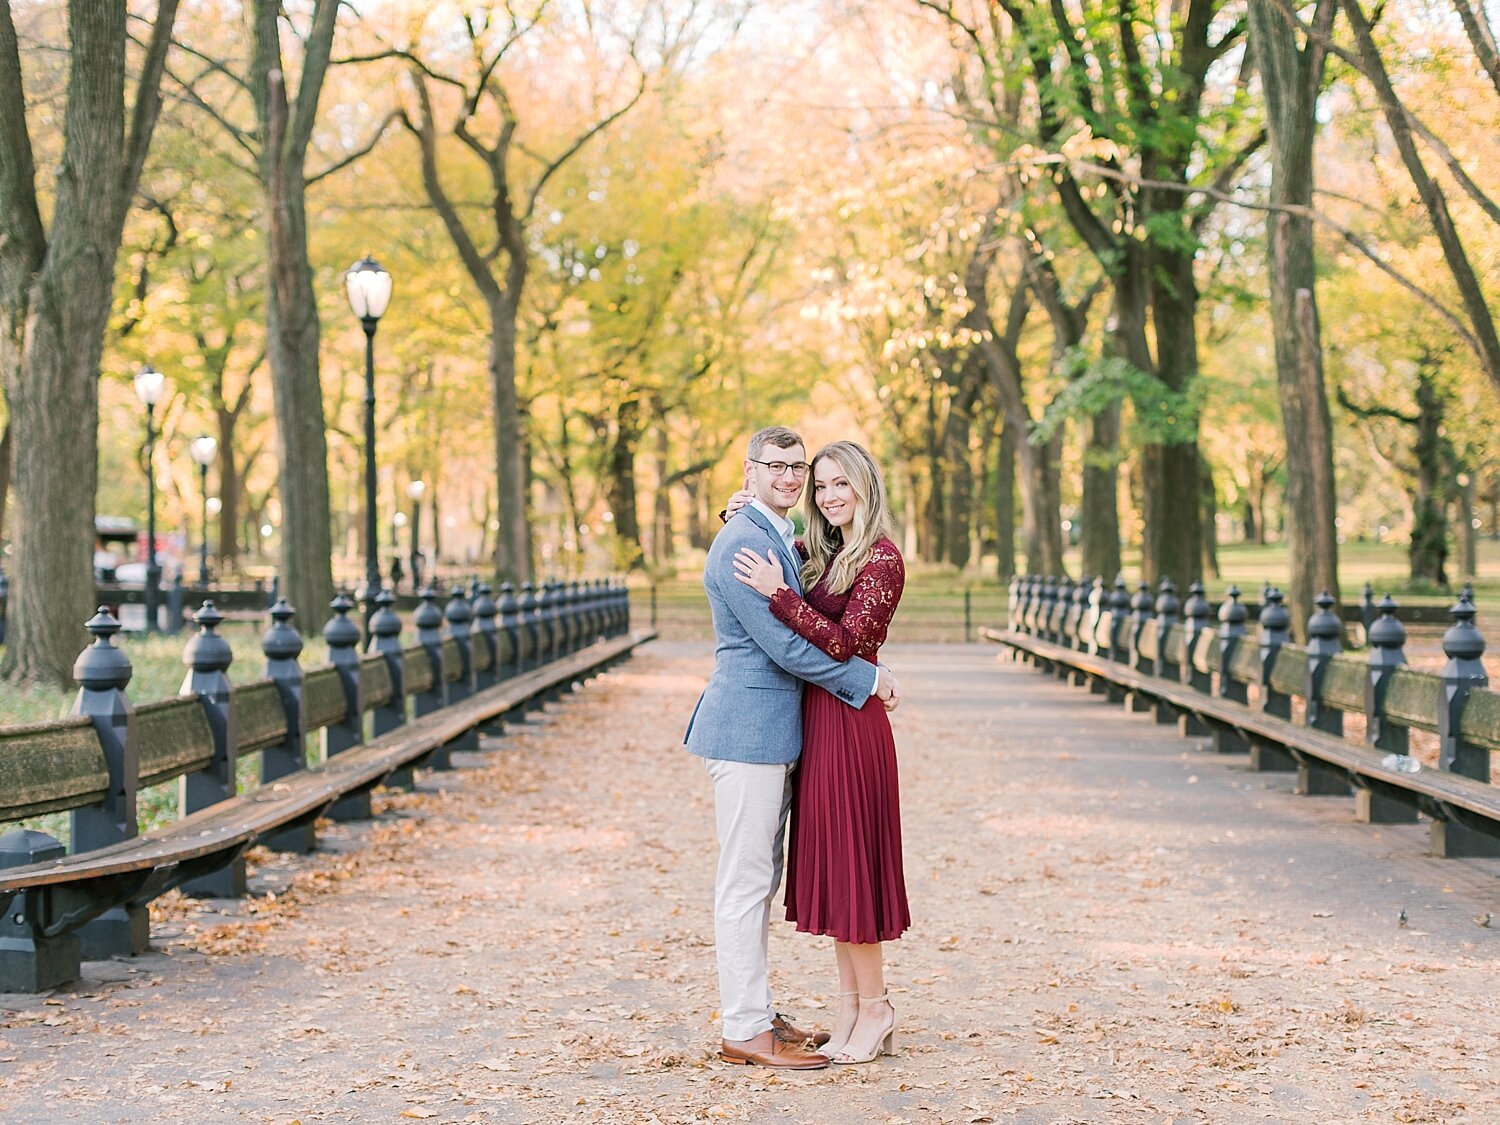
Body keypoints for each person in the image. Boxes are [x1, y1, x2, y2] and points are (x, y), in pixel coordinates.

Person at [685, 425, 900, 1071]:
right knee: (747, 881)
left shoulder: (803, 540)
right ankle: (747, 1024)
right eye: (775, 466)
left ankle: (774, 1009)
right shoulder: (748, 540)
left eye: (798, 468)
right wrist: (870, 678)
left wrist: (744, 512)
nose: (793, 479)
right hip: (751, 729)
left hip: (801, 730)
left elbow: (815, 609)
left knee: (766, 876)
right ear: (750, 469)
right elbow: (784, 646)